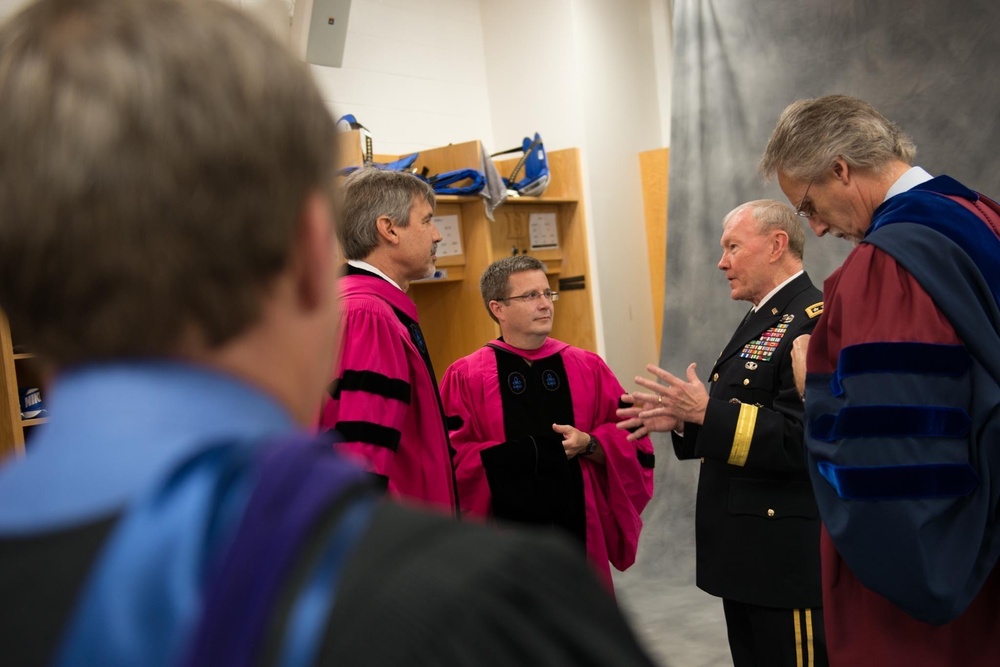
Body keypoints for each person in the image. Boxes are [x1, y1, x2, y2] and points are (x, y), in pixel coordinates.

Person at [0, 1, 662, 665]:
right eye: (428, 219)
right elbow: (369, 459)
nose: (435, 230)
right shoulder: (488, 607)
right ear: (313, 249)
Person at [759, 93, 1000, 666]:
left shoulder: (885, 267)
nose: (813, 228)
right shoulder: (982, 215)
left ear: (840, 168)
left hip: (950, 568)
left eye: (808, 204)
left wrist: (814, 388)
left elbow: (891, 449)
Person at [618, 201, 827, 667]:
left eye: (733, 246)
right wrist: (686, 419)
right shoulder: (766, 316)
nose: (722, 262)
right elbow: (742, 413)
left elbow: (803, 438)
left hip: (784, 558)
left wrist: (706, 414)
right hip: (751, 556)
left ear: (776, 245)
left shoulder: (810, 319)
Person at [439, 255, 655, 590]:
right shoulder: (466, 376)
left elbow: (634, 438)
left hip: (580, 538)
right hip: (503, 540)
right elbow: (450, 461)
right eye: (530, 296)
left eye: (547, 293)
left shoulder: (588, 367)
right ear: (498, 309)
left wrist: (590, 443)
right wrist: (527, 454)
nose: (545, 305)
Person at [317, 167, 458, 514]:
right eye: (426, 221)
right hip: (397, 538)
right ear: (389, 229)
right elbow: (363, 450)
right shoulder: (368, 314)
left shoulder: (362, 305)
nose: (438, 235)